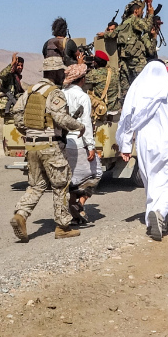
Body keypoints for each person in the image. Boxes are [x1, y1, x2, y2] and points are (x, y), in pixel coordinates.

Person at [117, 60, 168, 241]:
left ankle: (152, 216)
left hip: (145, 143)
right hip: (167, 141)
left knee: (151, 181)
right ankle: (160, 212)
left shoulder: (137, 91)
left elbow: (128, 118)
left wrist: (126, 145)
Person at [10, 56, 85, 242]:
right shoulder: (55, 93)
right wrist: (79, 126)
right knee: (61, 184)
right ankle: (62, 226)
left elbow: (17, 114)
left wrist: (29, 131)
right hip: (51, 146)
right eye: (62, 72)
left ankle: (21, 214)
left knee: (36, 185)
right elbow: (61, 119)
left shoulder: (30, 91)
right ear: (54, 72)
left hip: (32, 146)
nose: (64, 75)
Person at [61, 63, 99, 225]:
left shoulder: (60, 94)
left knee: (71, 179)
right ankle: (80, 204)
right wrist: (90, 146)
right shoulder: (83, 97)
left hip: (63, 143)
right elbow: (86, 123)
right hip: (78, 142)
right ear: (82, 79)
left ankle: (74, 214)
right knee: (96, 173)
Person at [100, 0, 152, 96]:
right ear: (136, 11)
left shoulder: (124, 23)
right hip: (137, 59)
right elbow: (147, 28)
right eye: (141, 10)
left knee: (126, 88)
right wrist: (151, 14)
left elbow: (113, 34)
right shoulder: (134, 20)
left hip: (125, 59)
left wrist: (105, 34)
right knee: (143, 84)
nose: (143, 12)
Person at [85, 50, 120, 114]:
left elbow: (82, 80)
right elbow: (106, 66)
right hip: (115, 108)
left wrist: (83, 65)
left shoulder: (94, 74)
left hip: (101, 108)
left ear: (95, 62)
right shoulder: (114, 71)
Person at [0, 53, 25, 121]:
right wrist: (12, 63)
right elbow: (2, 75)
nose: (20, 67)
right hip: (7, 107)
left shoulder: (16, 77)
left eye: (22, 65)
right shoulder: (9, 76)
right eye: (18, 65)